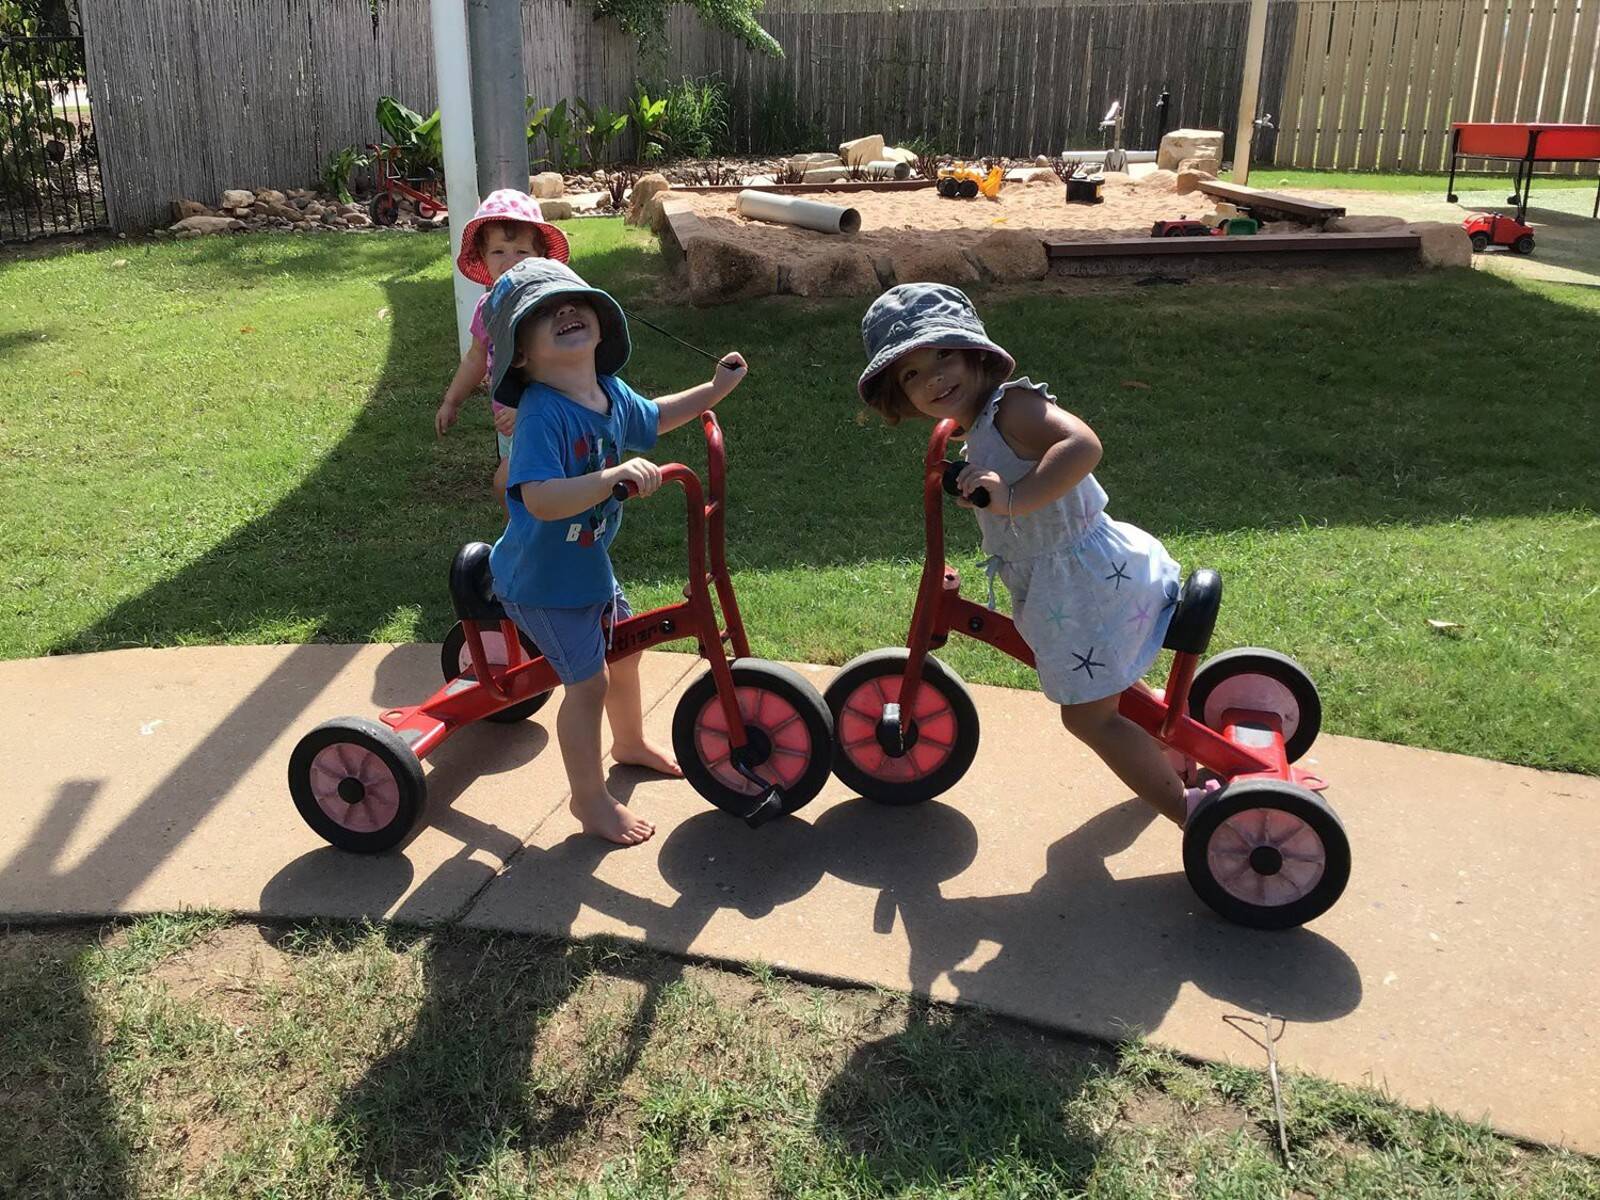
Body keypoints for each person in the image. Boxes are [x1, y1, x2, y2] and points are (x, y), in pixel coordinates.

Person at [857, 283, 1209, 827]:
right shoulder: (982, 426)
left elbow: (1083, 445)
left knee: (1088, 719)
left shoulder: (1013, 408)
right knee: (1103, 684)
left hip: (1087, 582)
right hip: (1072, 581)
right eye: (910, 373)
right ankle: (1168, 732)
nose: (932, 378)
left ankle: (1193, 811)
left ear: (975, 353)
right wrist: (984, 486)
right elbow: (1006, 478)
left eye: (942, 354)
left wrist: (1014, 499)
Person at [485, 257, 747, 845]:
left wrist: (713, 391)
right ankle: (588, 800)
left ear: (603, 326)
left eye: (576, 304)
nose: (567, 311)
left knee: (627, 653)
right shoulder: (542, 415)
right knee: (589, 684)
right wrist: (608, 480)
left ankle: (628, 743)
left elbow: (652, 416)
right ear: (520, 356)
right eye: (546, 312)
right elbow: (540, 499)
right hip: (541, 583)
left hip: (587, 567)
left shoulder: (607, 392)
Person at [434, 189, 571, 508]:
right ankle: (527, 543)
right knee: (519, 492)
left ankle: (534, 542)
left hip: (546, 418)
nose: (510, 262)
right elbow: (476, 358)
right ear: (483, 257)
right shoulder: (487, 308)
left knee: (513, 485)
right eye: (498, 252)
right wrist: (451, 401)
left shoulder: (548, 308)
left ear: (540, 257)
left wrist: (527, 409)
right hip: (507, 423)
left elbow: (563, 369)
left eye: (521, 251)